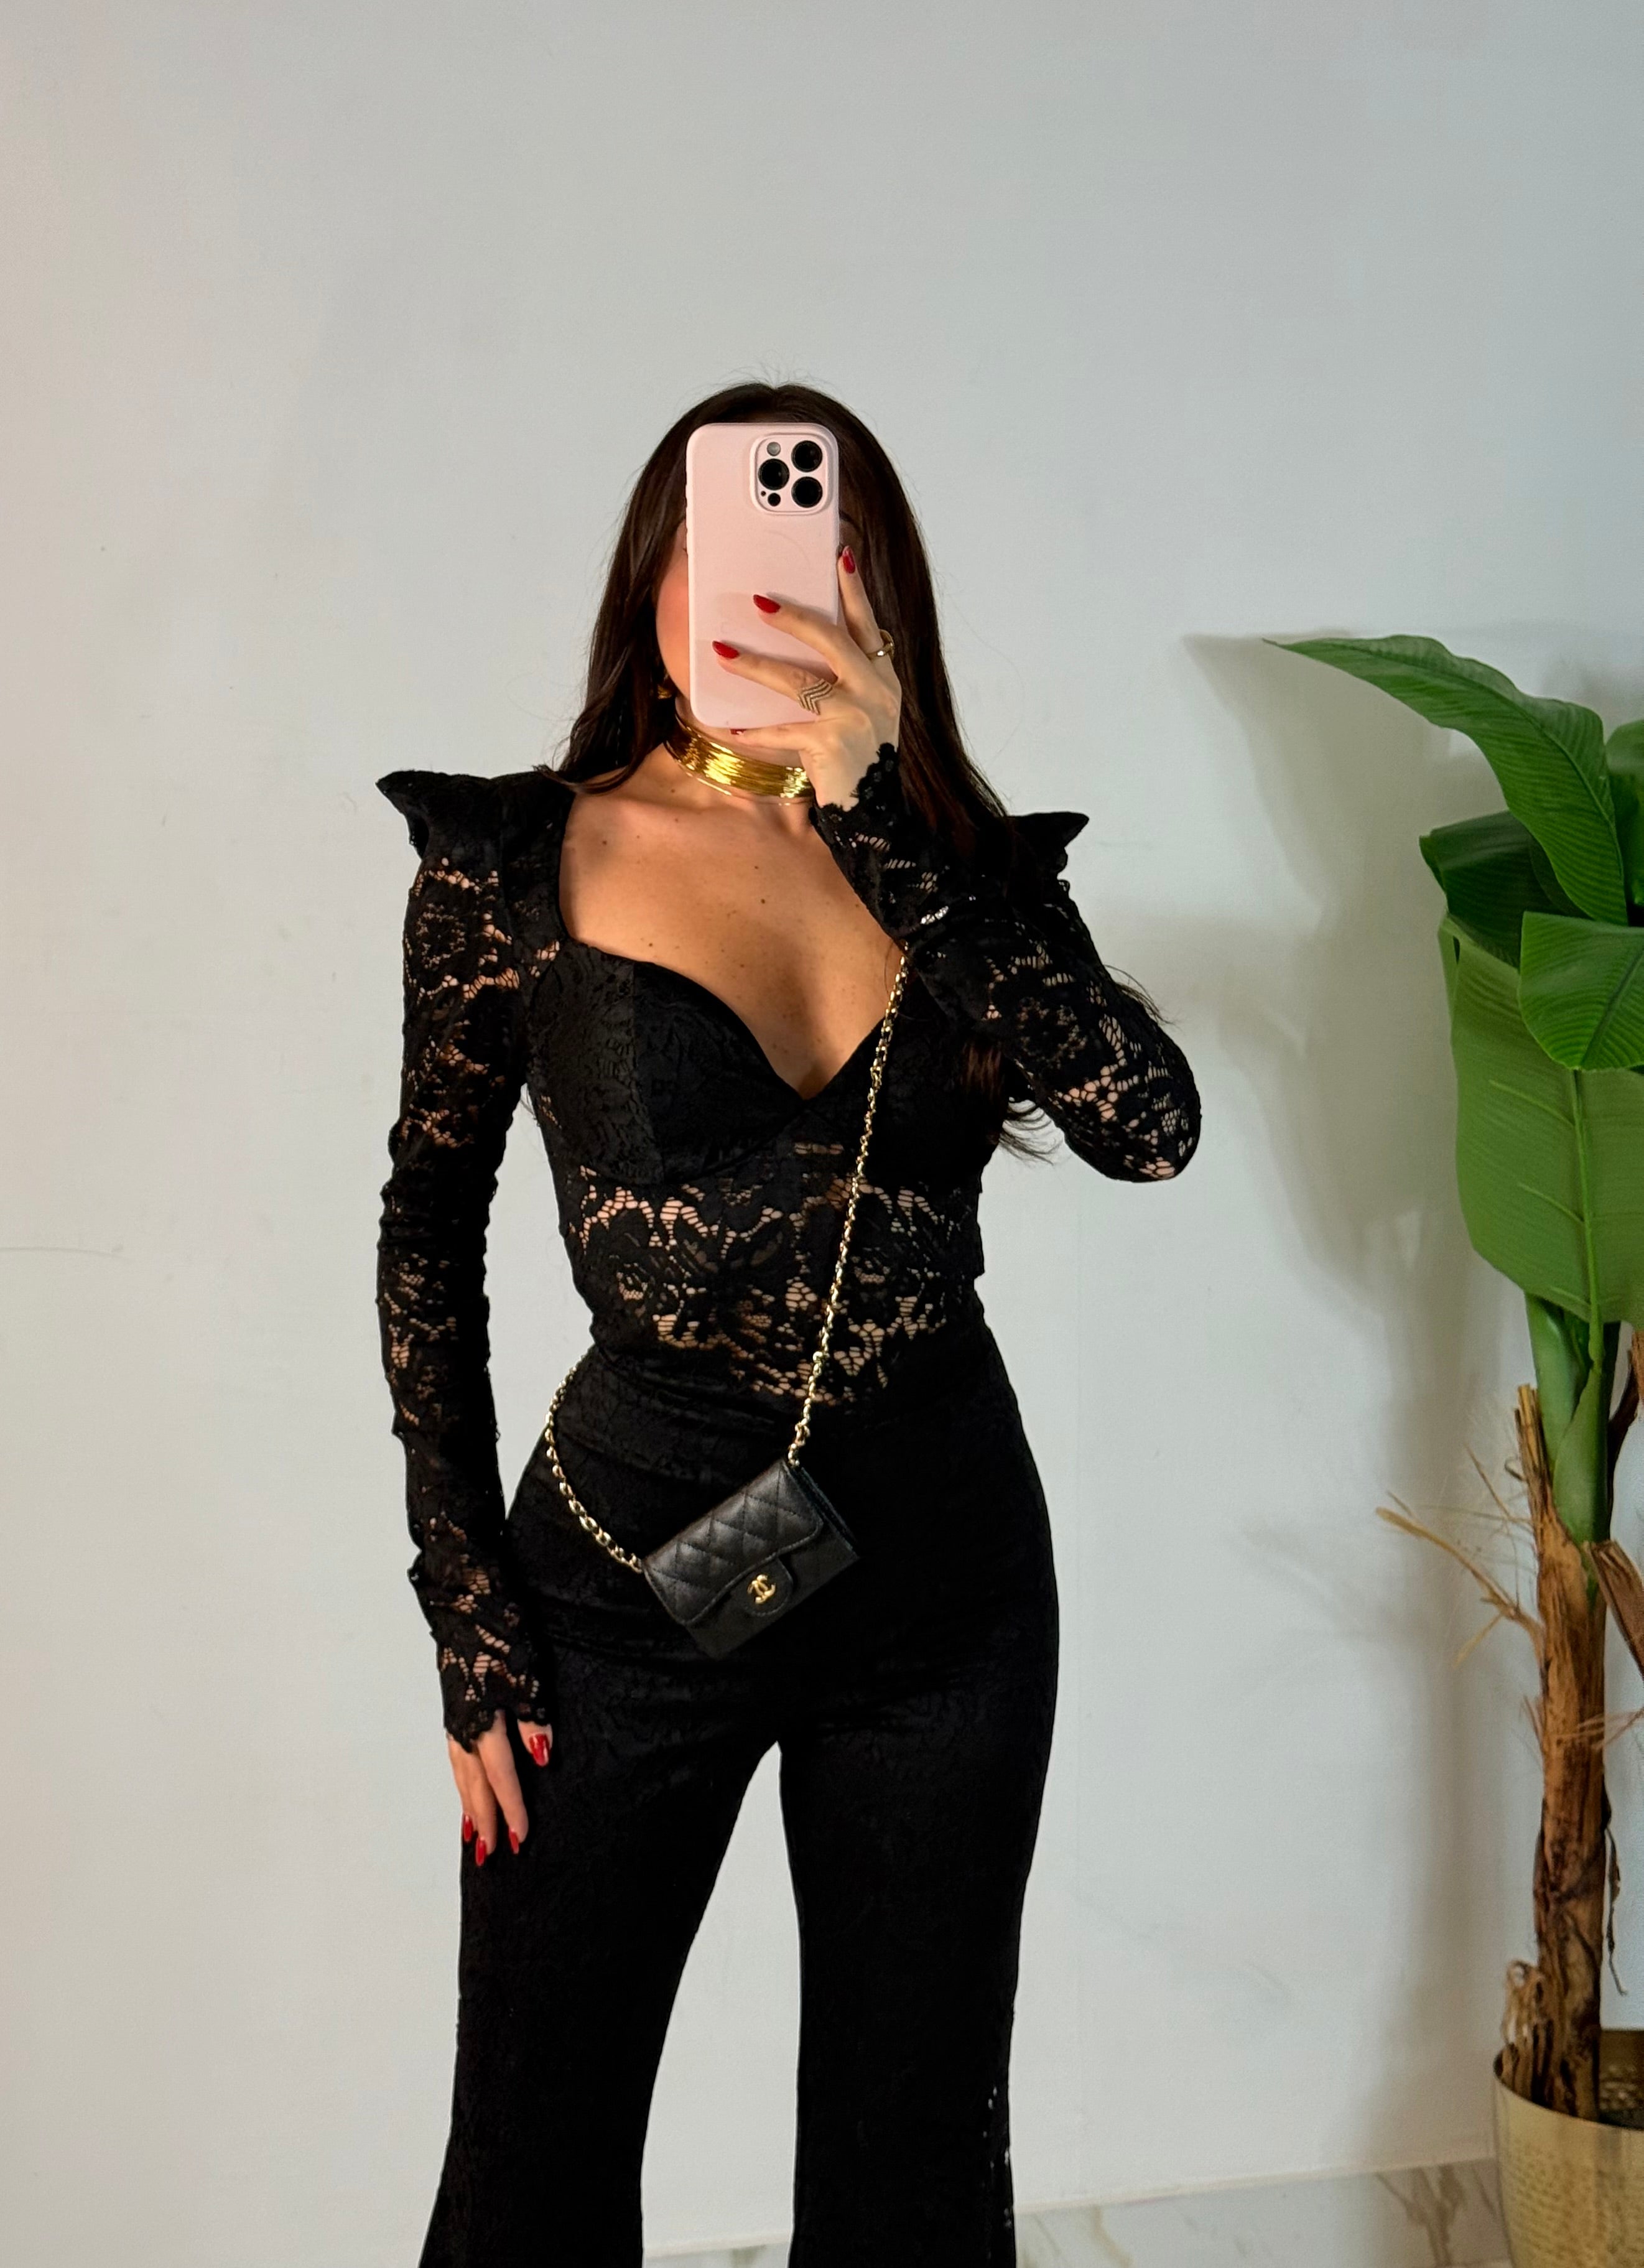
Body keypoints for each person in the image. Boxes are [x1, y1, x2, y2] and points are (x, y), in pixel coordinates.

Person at [374, 380, 1200, 2267]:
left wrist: (883, 821)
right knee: (530, 2174)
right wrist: (465, 1609)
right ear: (649, 583)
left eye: (821, 551)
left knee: (921, 2175)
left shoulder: (967, 875)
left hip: (947, 1596)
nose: (762, 592)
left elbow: (1148, 1129)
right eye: (720, 545)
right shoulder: (513, 865)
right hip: (617, 1594)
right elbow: (427, 1225)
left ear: (880, 602)